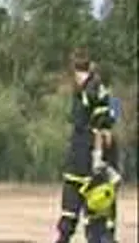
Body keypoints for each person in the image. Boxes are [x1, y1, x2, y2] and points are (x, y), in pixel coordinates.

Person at [55, 49, 120, 243]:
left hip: (88, 159)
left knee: (96, 220)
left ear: (74, 71)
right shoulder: (84, 90)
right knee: (72, 217)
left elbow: (103, 131)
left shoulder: (93, 90)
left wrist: (99, 159)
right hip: (78, 159)